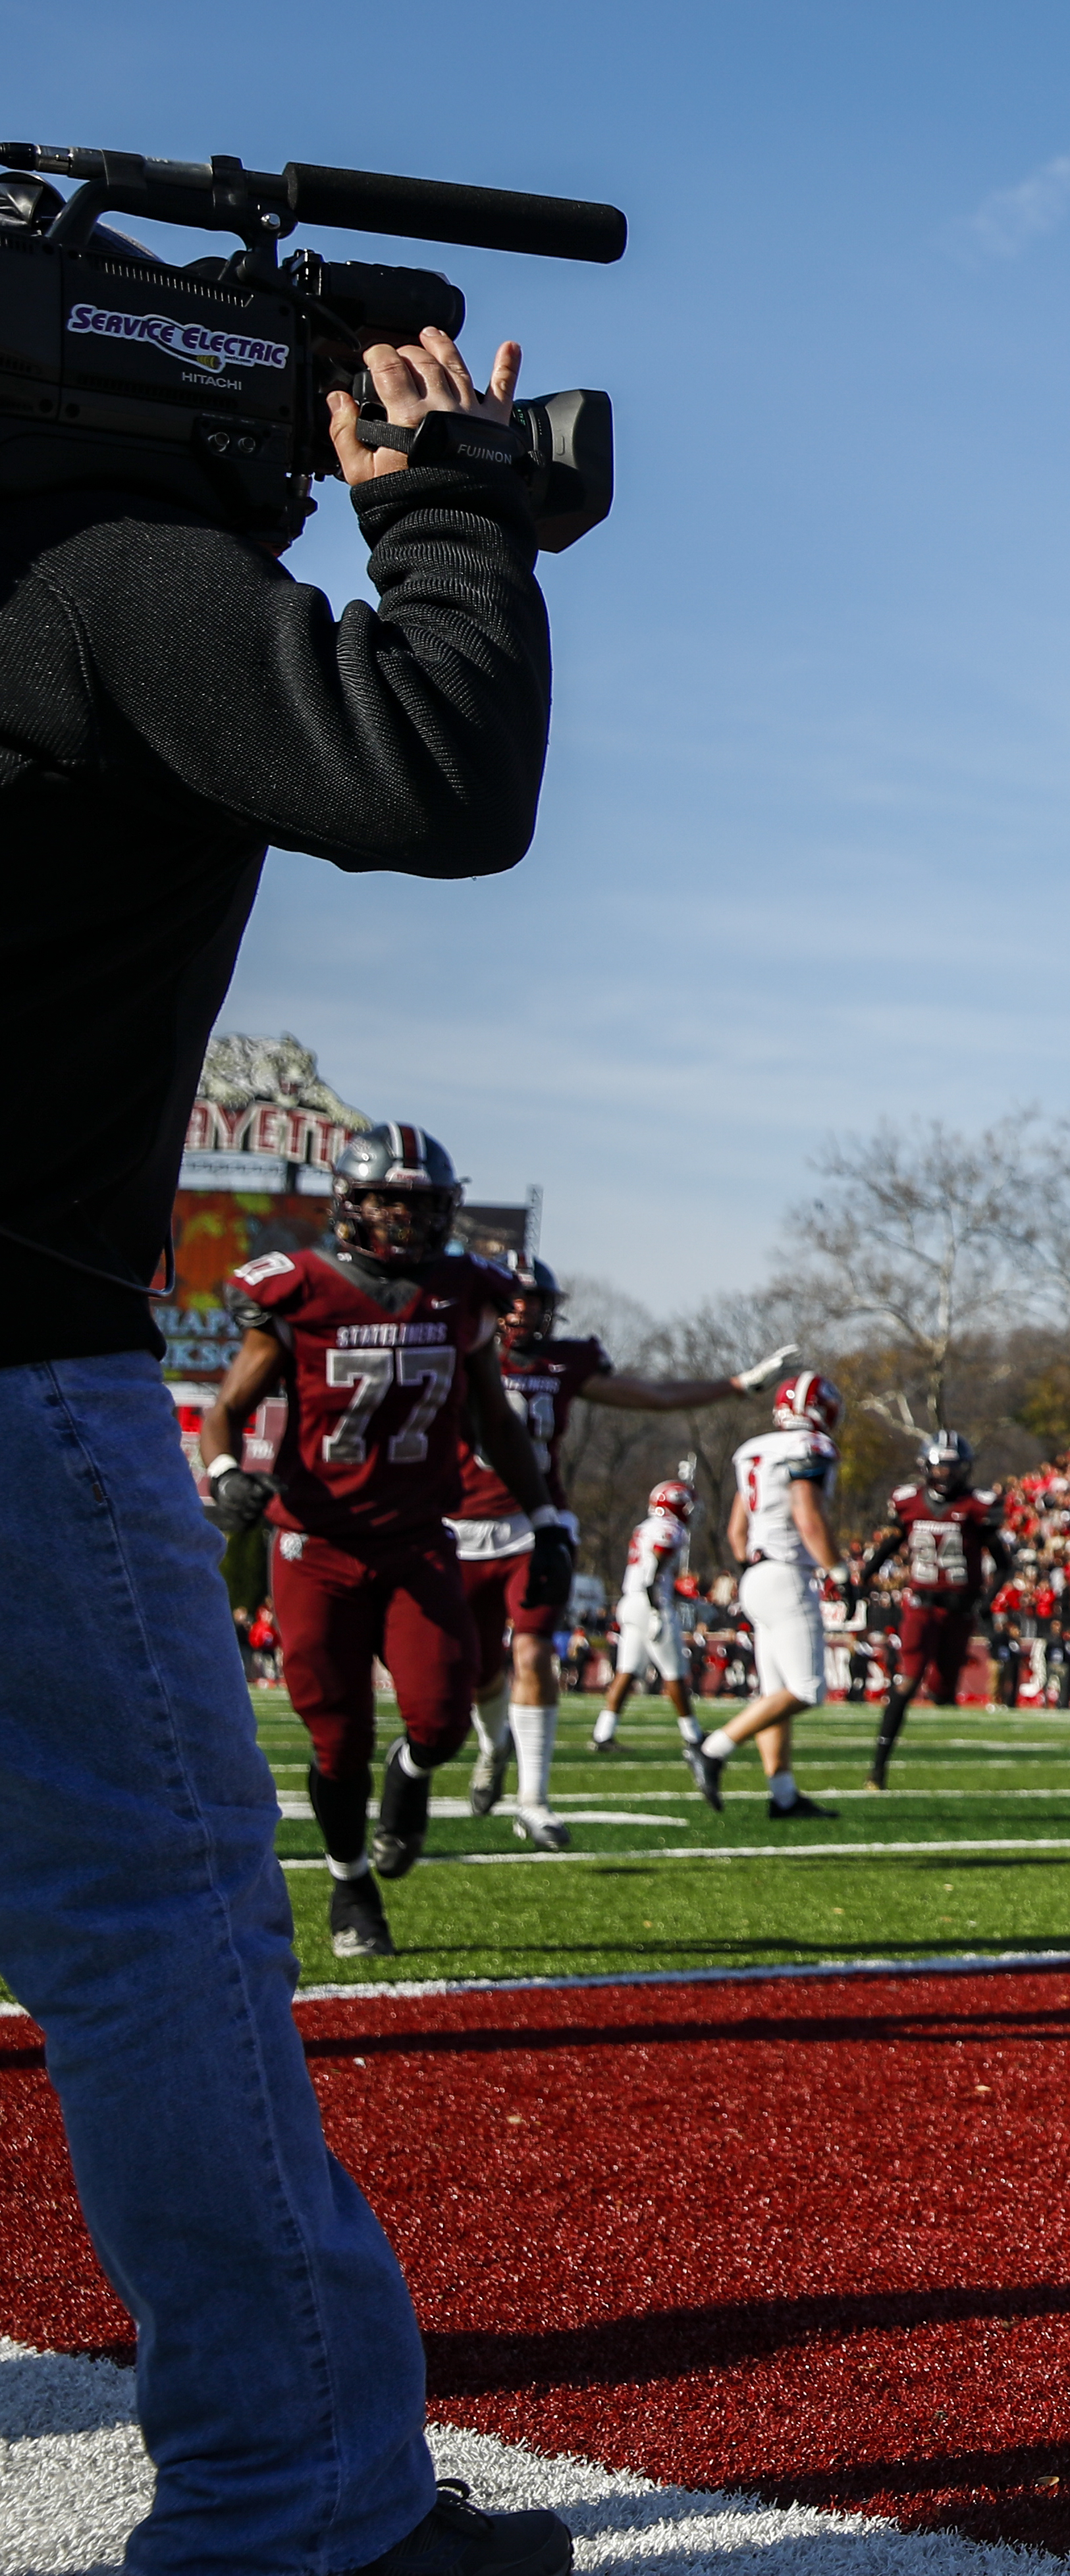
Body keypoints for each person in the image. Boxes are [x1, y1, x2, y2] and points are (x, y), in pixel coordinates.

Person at [0, 287, 575, 2573]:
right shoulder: (95, 572)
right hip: (11, 1345)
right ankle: (293, 2492)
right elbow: (439, 771)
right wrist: (445, 519)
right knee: (156, 1919)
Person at [198, 1127, 573, 1957]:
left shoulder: (464, 1293)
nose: (403, 1219)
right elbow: (224, 1408)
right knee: (337, 1740)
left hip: (416, 1540)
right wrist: (225, 1472)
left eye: (420, 1203)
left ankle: (409, 1782)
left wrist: (546, 1518)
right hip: (316, 1544)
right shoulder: (300, 1290)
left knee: (441, 1718)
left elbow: (495, 1423)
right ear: (350, 1203)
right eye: (387, 1200)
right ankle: (349, 1883)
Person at [452, 1255, 791, 1845]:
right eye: (514, 1299)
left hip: (537, 1523)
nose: (524, 1311)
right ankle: (492, 1745)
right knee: (479, 1670)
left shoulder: (563, 1363)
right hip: (459, 1526)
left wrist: (736, 1385)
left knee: (532, 1654)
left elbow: (650, 1393)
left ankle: (534, 1800)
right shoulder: (452, 1352)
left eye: (535, 1300)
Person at [685, 1371, 847, 1820]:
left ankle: (783, 1795)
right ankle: (713, 1749)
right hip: (787, 1573)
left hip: (755, 1574)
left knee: (774, 1693)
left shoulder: (753, 1450)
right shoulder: (810, 1448)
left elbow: (737, 1532)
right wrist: (838, 1569)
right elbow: (806, 1513)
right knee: (808, 1689)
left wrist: (754, 1568)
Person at [856, 1430, 1013, 1789]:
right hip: (922, 1606)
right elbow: (893, 1541)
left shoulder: (978, 1506)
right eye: (942, 1467)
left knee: (943, 1693)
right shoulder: (909, 1502)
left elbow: (1004, 1564)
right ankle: (877, 1769)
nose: (948, 1475)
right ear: (926, 1467)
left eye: (955, 1468)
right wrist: (865, 1576)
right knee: (907, 1682)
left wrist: (987, 1604)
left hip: (960, 1611)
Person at [591, 1479, 699, 1749]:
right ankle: (694, 1736)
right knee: (674, 1672)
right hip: (650, 1605)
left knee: (628, 1670)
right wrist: (656, 1608)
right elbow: (654, 1571)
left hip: (631, 1601)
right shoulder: (669, 1529)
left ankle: (603, 1733)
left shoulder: (646, 1527)